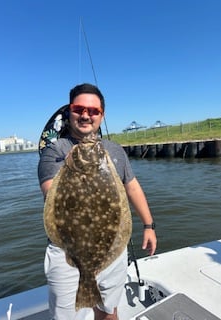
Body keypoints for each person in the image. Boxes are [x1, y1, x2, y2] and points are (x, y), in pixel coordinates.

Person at [38, 83, 157, 320]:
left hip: (112, 244)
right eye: (79, 108)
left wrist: (148, 225)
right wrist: (72, 170)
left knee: (108, 311)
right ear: (69, 111)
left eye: (93, 111)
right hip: (68, 250)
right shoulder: (55, 151)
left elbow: (131, 186)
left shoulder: (114, 149)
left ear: (101, 115)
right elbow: (51, 196)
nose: (85, 115)